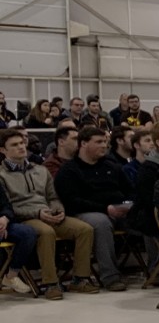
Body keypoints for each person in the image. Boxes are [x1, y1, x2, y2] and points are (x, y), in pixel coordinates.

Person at [0, 128, 97, 298]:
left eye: (22, 143)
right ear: (3, 150)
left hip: (48, 212)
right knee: (46, 232)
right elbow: (9, 207)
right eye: (14, 145)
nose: (21, 147)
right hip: (25, 217)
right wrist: (37, 213)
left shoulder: (40, 170)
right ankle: (50, 283)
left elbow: (53, 196)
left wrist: (58, 209)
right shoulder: (1, 175)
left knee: (85, 229)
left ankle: (79, 279)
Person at [53, 127, 132, 291]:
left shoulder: (112, 166)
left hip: (118, 209)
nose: (104, 146)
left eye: (105, 142)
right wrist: (105, 208)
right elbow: (71, 201)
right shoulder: (69, 170)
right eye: (99, 142)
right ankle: (110, 277)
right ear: (83, 144)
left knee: (148, 214)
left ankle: (158, 269)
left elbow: (130, 190)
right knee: (100, 222)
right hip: (86, 212)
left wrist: (129, 205)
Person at [0, 177, 38, 293]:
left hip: (3, 224)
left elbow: (6, 206)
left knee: (27, 233)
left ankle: (11, 276)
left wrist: (4, 219)